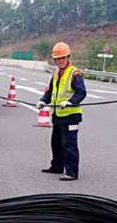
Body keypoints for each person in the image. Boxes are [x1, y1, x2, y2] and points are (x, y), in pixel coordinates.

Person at [36, 42, 87, 181]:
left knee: (69, 145)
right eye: (58, 59)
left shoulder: (74, 73)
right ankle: (57, 166)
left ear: (68, 57)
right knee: (56, 142)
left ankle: (71, 172)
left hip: (71, 115)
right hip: (58, 114)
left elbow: (81, 92)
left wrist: (71, 102)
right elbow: (51, 91)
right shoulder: (57, 73)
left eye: (63, 58)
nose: (60, 61)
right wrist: (43, 101)